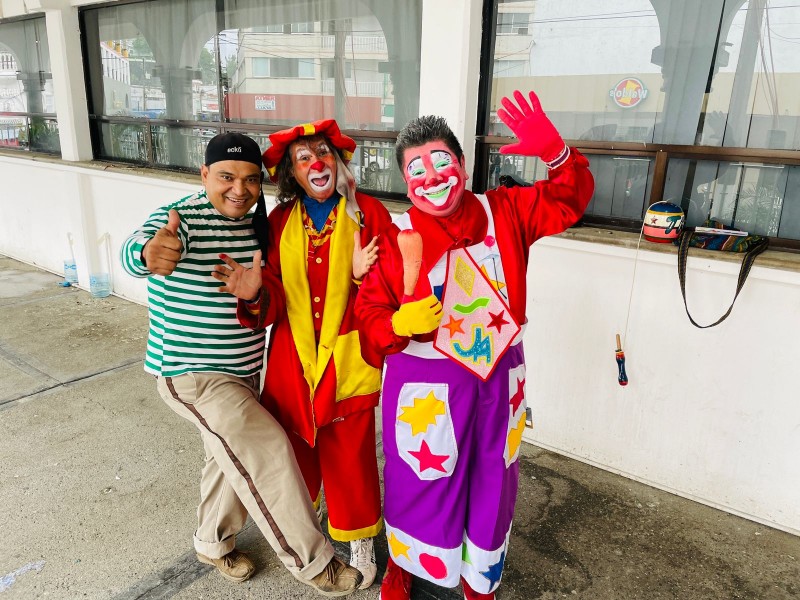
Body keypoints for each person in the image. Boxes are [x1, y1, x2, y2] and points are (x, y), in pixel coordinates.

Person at [355, 90, 595, 600]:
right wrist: (399, 321)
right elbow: (367, 320)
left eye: (442, 161)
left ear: (462, 164)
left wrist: (557, 155)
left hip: (498, 382)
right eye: (417, 169)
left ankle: (478, 582)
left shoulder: (506, 211)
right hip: (426, 390)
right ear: (404, 180)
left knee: (493, 482)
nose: (432, 177)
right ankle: (410, 574)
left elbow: (569, 200)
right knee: (423, 485)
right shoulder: (396, 239)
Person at [119, 131, 363, 597]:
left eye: (251, 179)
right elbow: (141, 247)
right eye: (227, 177)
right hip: (194, 374)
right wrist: (148, 254)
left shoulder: (259, 224)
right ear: (204, 174)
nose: (239, 189)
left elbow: (270, 298)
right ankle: (315, 564)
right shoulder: (181, 220)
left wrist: (257, 294)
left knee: (226, 457)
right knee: (267, 450)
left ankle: (211, 541)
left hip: (248, 372)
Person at [214, 120, 392, 589]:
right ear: (292, 173)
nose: (317, 162)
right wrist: (254, 295)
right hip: (293, 354)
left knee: (350, 446)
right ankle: (304, 529)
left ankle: (358, 536)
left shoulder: (368, 212)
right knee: (294, 442)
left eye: (323, 153)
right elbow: (270, 292)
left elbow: (392, 284)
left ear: (338, 161)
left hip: (347, 351)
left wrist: (360, 278)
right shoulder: (279, 221)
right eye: (304, 157)